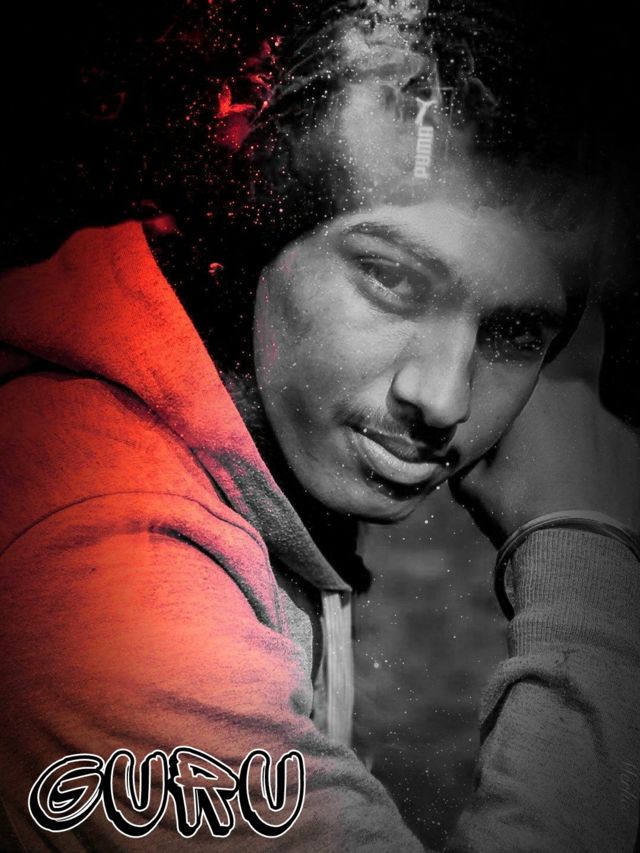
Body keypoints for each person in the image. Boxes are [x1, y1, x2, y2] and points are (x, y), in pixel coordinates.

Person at [0, 1, 639, 850]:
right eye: (391, 279)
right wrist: (583, 549)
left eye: (513, 331)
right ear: (257, 234)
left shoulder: (232, 452)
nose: (444, 397)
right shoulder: (119, 567)